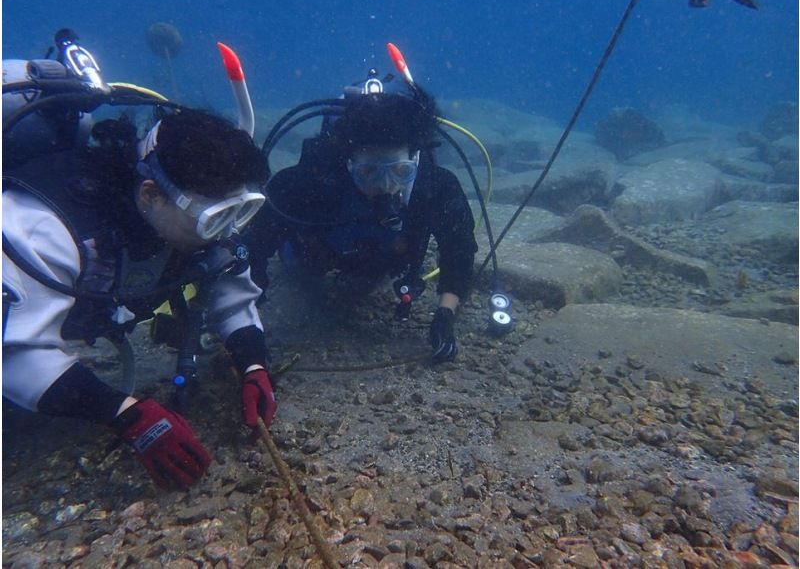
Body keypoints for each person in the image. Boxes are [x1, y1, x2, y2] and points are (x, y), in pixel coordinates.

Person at [3, 102, 278, 491]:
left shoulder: (185, 218)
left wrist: (253, 365)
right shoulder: (41, 227)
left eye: (239, 212)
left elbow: (232, 294)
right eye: (215, 218)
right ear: (151, 195)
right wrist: (126, 415)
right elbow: (14, 353)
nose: (226, 232)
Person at [246, 77, 478, 362]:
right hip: (317, 259)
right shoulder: (307, 183)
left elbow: (460, 250)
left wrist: (445, 314)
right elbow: (255, 244)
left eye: (401, 172)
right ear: (348, 164)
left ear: (416, 160)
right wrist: (249, 321)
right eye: (369, 173)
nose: (386, 186)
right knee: (295, 264)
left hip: (388, 263)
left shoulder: (437, 186)